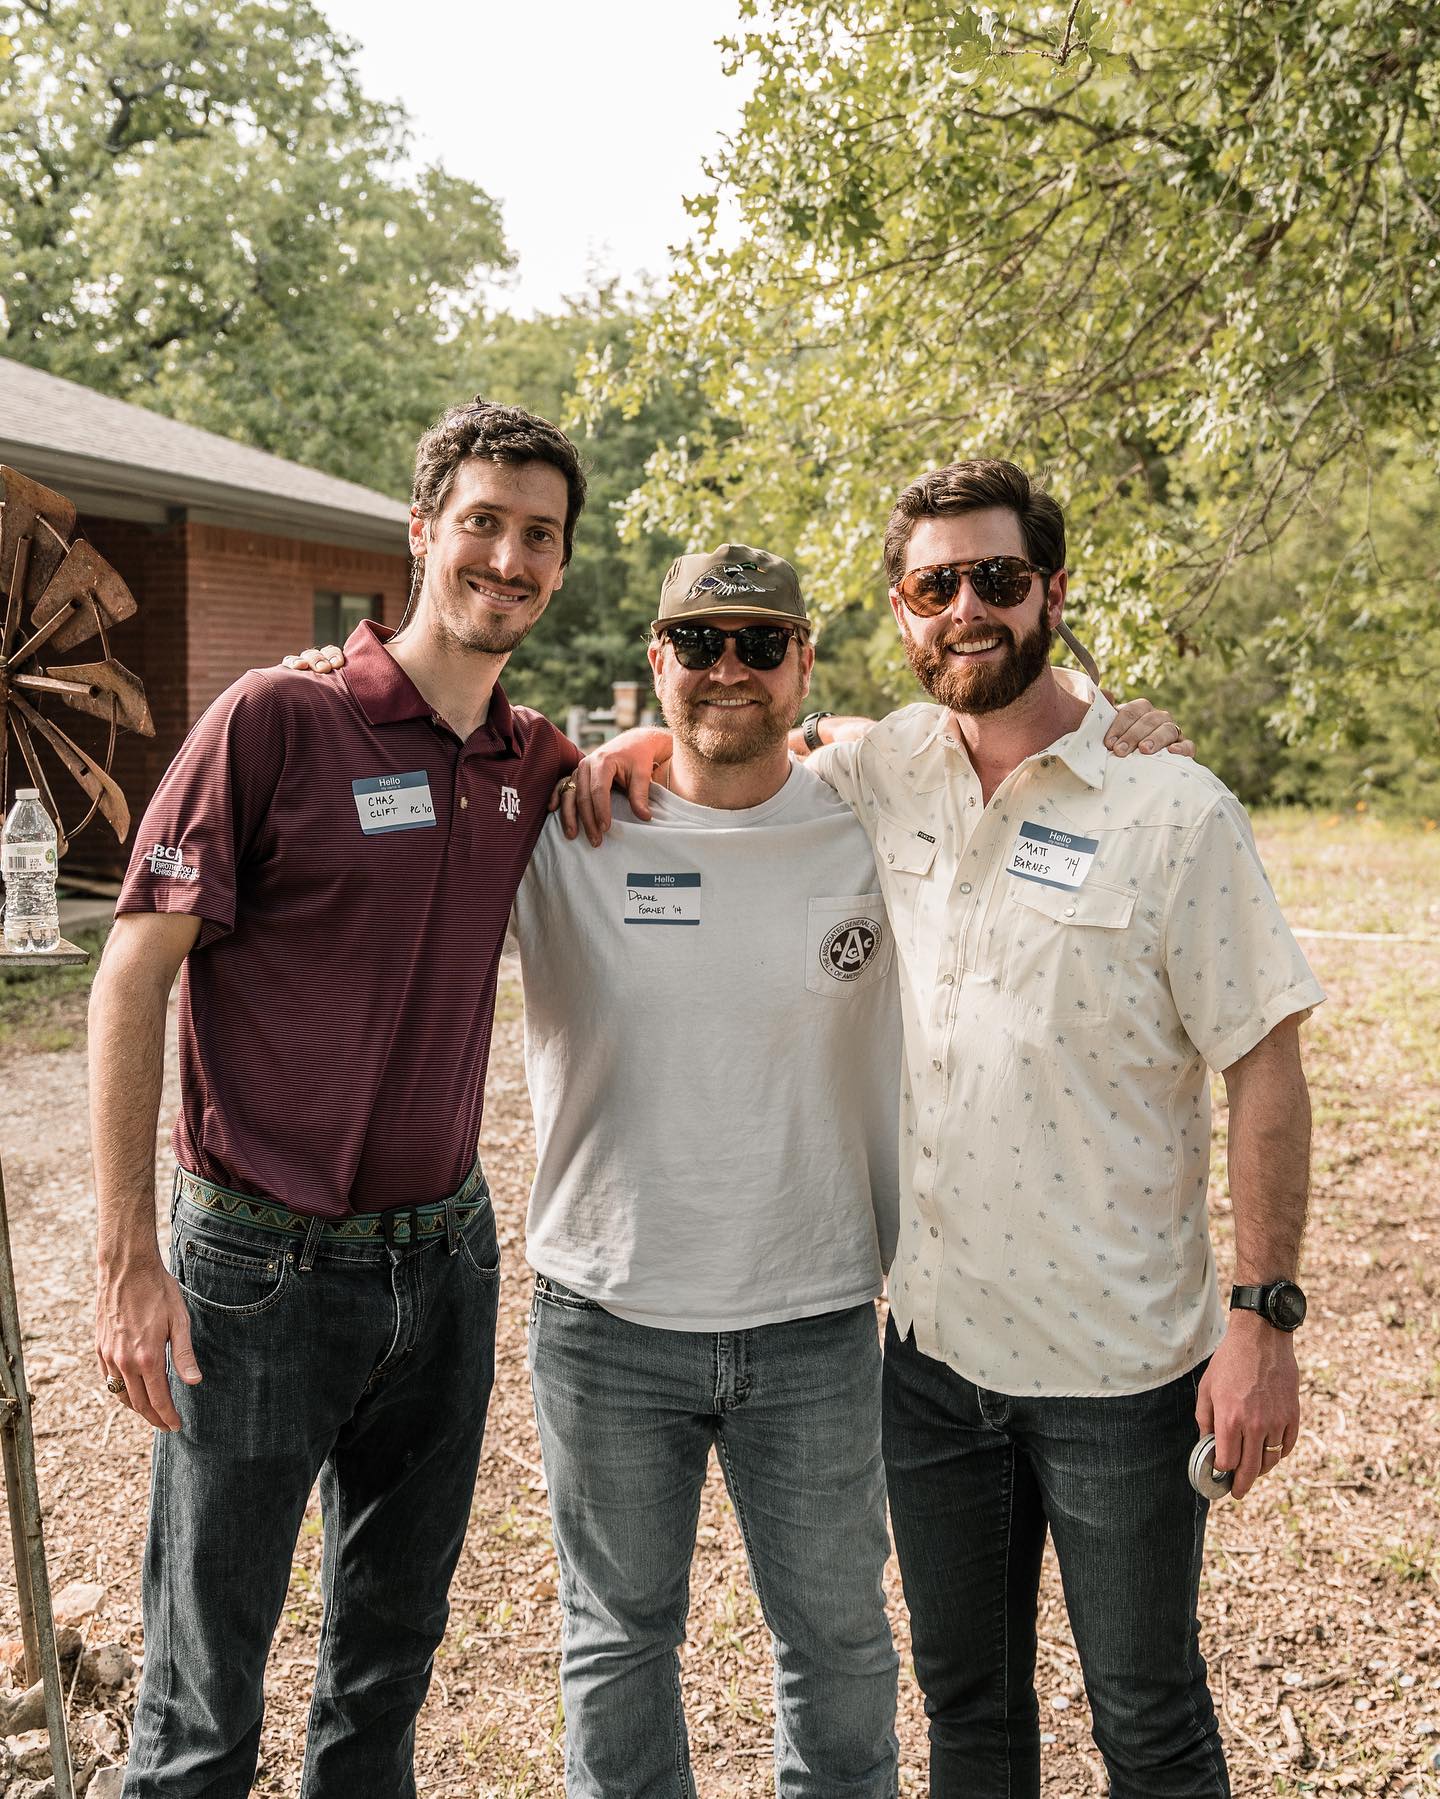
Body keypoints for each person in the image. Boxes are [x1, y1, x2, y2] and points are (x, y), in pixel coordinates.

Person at [288, 543, 1184, 1796]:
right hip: (606, 1319)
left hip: (815, 1312)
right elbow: (410, 765)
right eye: (700, 642)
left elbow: (1013, 744)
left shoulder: (876, 814)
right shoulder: (563, 821)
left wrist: (1114, 719)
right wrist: (324, 688)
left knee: (838, 1646)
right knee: (616, 1642)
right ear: (655, 659)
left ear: (805, 662)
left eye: (763, 643)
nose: (729, 667)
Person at [577, 460, 1323, 1798]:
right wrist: (646, 744)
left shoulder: (1172, 806)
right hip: (931, 1364)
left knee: (1149, 1717)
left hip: (1124, 1372)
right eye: (934, 584)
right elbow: (746, 741)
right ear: (900, 609)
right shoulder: (886, 770)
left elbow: (1265, 1064)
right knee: (968, 1710)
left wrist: (1263, 1316)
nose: (967, 607)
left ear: (1051, 588)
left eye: (997, 576)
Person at [89, 398, 586, 1798]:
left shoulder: (534, 764)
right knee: (201, 1700)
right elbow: (130, 977)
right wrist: (131, 1256)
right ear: (420, 529)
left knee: (385, 1674)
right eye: (481, 521)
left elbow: (713, 756)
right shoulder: (275, 721)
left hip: (446, 1262)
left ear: (561, 566)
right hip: (255, 1268)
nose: (508, 555)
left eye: (538, 535)